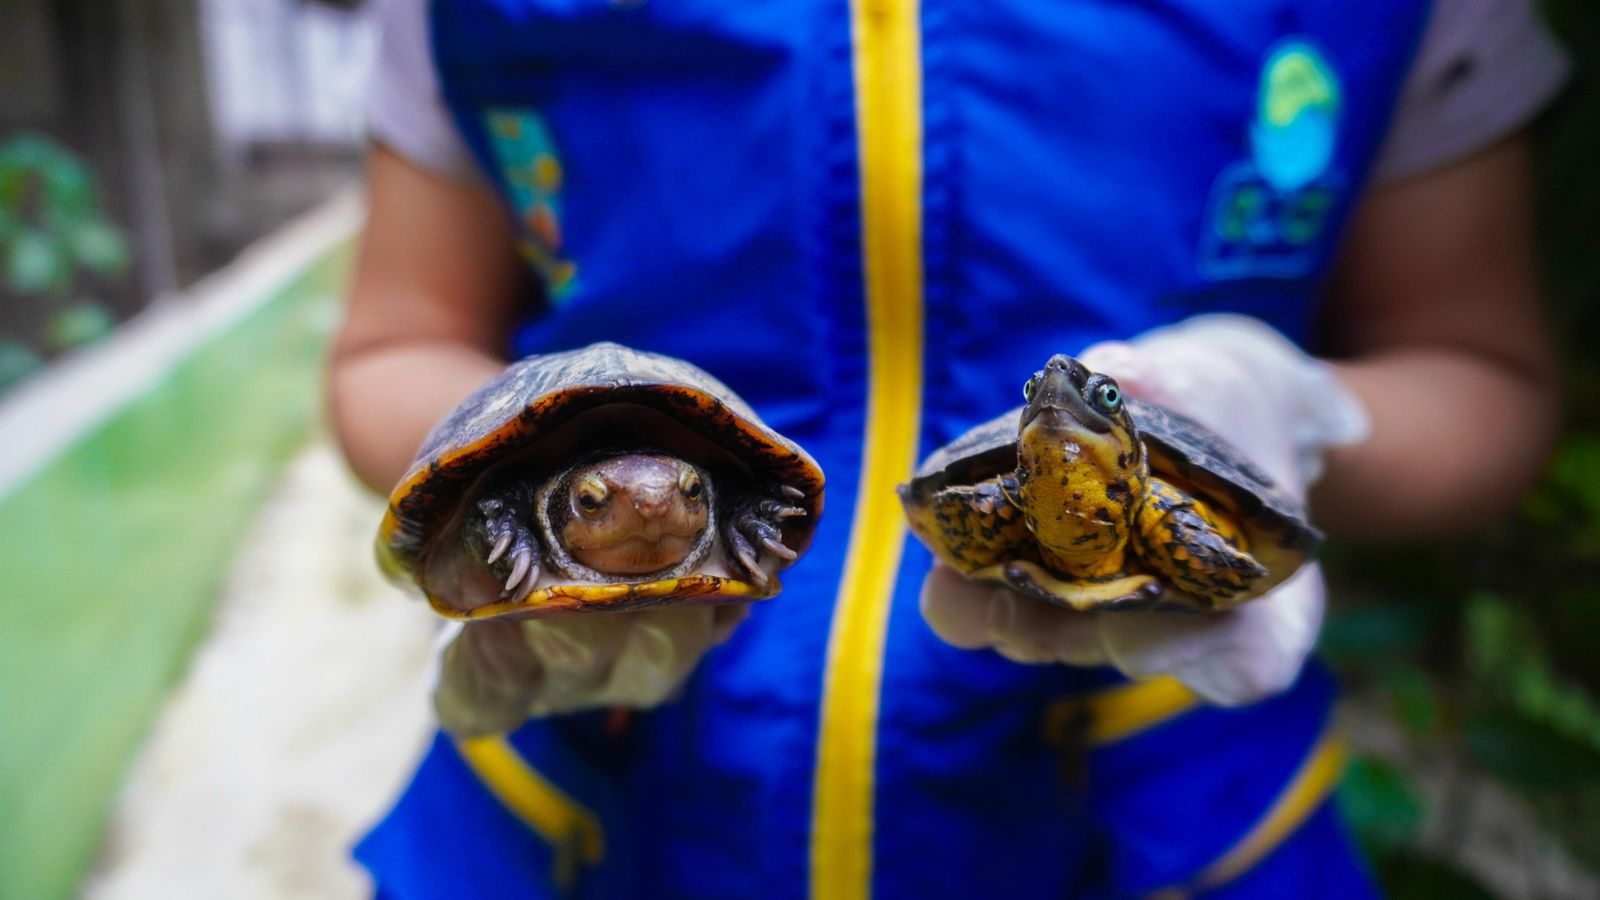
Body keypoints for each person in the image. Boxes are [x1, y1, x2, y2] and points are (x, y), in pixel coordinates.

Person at [328, 0, 1568, 896]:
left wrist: (1284, 417)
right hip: (595, 784)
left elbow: (1486, 379)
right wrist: (505, 496)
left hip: (1166, 785)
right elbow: (394, 344)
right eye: (609, 501)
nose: (651, 507)